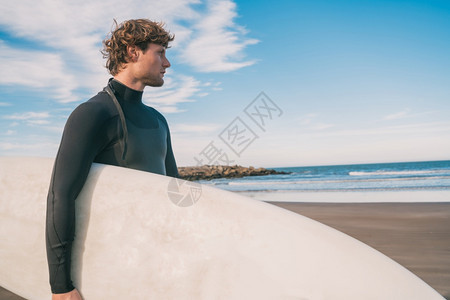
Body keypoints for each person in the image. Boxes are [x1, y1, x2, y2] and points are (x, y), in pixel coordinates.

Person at [45, 19, 178, 300]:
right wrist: (61, 286)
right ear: (133, 52)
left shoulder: (159, 121)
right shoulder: (93, 114)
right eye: (160, 52)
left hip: (156, 265)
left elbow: (174, 194)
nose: (167, 63)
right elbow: (61, 196)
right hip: (109, 268)